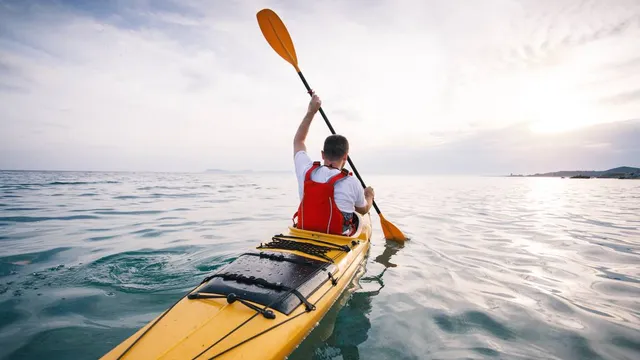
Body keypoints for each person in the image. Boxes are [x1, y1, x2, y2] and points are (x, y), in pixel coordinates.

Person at [292, 91, 374, 236]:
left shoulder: (306, 171)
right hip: (338, 240)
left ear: (322, 154)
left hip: (304, 234)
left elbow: (299, 141)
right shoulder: (352, 181)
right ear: (345, 157)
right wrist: (369, 196)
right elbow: (363, 210)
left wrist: (311, 112)